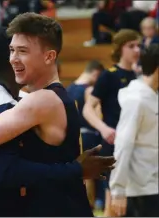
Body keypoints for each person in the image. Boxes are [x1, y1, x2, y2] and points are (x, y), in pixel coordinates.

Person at [0, 13, 115, 216]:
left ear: (49, 56)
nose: (13, 59)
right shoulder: (51, 96)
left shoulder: (42, 101)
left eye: (22, 51)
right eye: (11, 50)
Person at [83, 29, 140, 216]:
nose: (137, 50)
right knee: (114, 205)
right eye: (131, 46)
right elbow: (88, 108)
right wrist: (103, 128)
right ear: (120, 48)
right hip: (115, 145)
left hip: (137, 146)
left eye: (138, 45)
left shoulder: (141, 77)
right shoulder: (109, 75)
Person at [110, 44, 159, 217]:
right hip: (140, 191)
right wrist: (118, 190)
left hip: (154, 186)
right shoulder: (136, 99)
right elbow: (123, 145)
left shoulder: (153, 96)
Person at [67, 60, 104, 208]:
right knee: (95, 173)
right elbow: (98, 115)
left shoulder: (67, 89)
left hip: (74, 136)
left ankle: (86, 204)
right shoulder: (89, 90)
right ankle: (97, 203)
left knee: (82, 173)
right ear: (96, 73)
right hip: (90, 135)